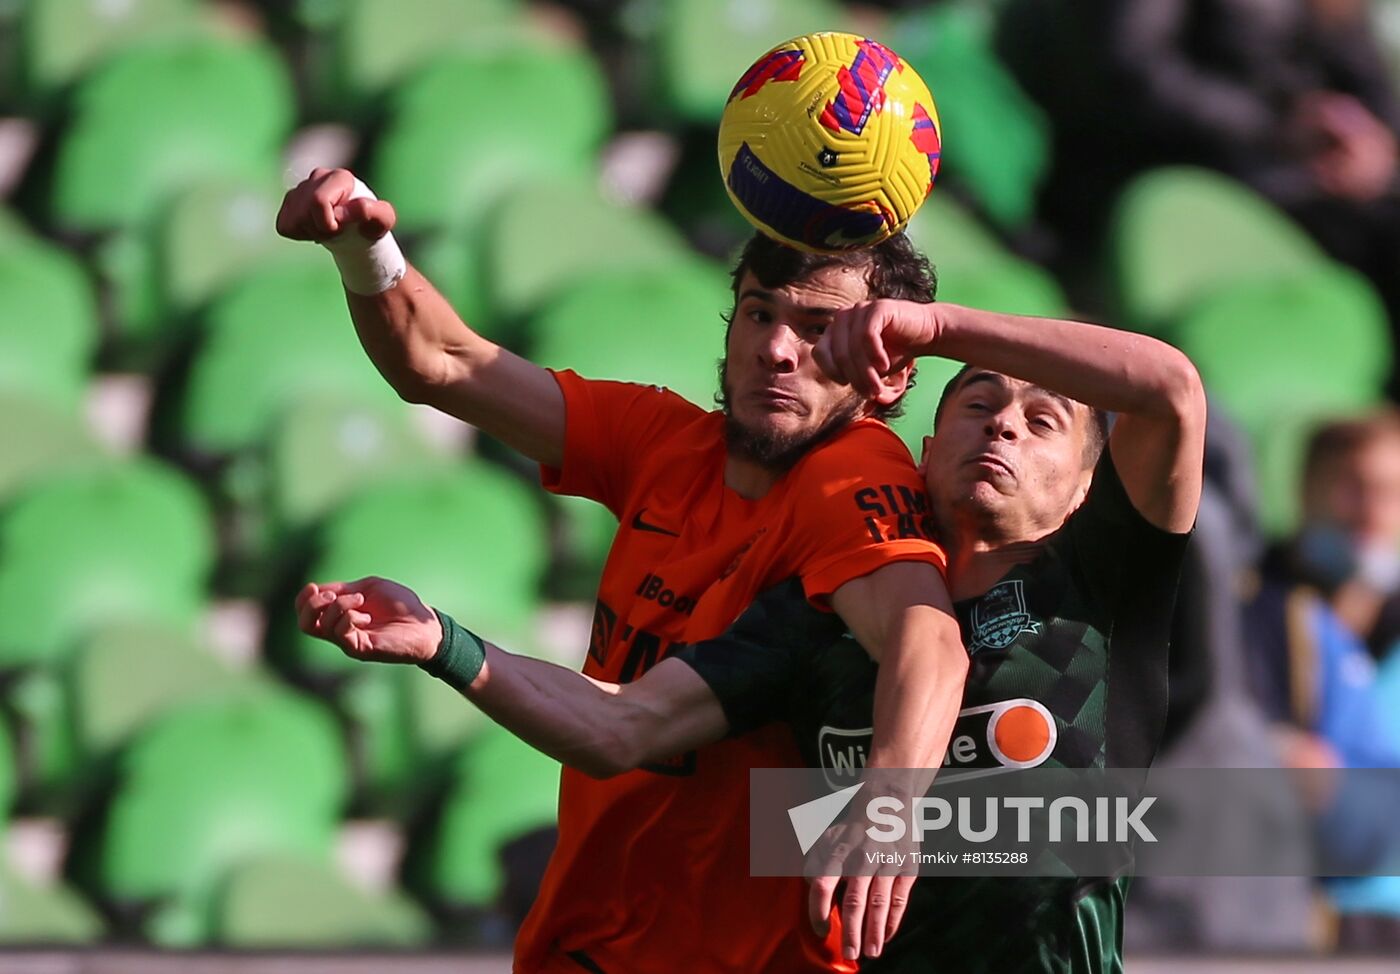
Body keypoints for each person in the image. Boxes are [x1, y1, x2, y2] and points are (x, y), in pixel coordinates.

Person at [298, 294, 1208, 970]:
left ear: (1086, 489)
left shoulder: (1102, 592)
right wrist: (445, 644)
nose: (1003, 422)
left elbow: (1171, 390)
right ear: (926, 453)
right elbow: (619, 724)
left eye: (1042, 421)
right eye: (977, 405)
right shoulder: (822, 618)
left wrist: (941, 331)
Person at [276, 168, 969, 971]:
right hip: (589, 940)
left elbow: (928, 639)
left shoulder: (849, 476)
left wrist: (891, 801)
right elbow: (440, 360)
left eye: (819, 329)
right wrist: (364, 247)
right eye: (759, 313)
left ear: (892, 374)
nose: (777, 349)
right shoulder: (663, 442)